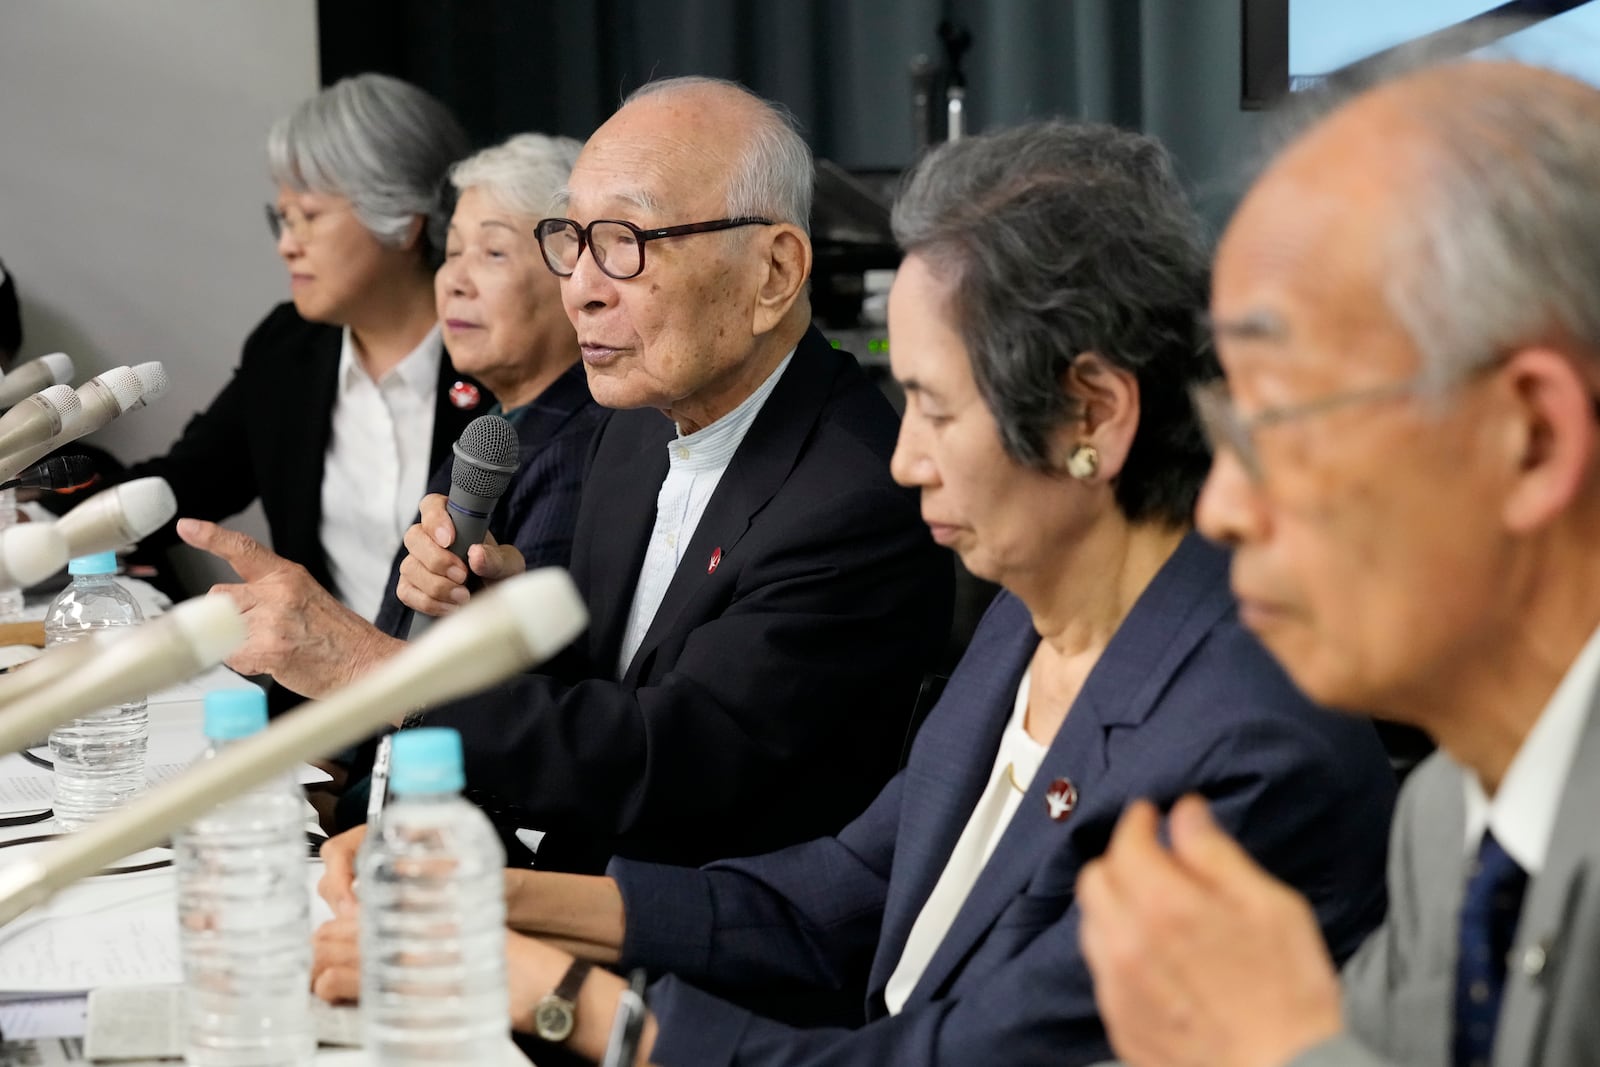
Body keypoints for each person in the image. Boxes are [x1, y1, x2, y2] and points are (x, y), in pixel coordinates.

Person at [311, 118, 1398, 1066]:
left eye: (933, 408)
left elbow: (936, 1054)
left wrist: (553, 996)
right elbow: (835, 890)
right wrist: (491, 899)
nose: (901, 459)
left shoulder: (1248, 749)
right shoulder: (1033, 607)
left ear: (1091, 416)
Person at [205, 77, 954, 882]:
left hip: (696, 959)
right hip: (563, 881)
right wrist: (501, 638)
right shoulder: (634, 425)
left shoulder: (857, 494)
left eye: (626, 241)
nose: (582, 289)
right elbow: (602, 695)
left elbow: (672, 761)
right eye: (572, 239)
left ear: (773, 271)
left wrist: (374, 671)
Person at [1077, 60, 1600, 1067]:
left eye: (1276, 420)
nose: (1222, 509)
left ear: (1529, 437)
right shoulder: (1446, 812)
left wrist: (1271, 1049)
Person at [177, 131, 603, 705]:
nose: (454, 280)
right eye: (452, 252)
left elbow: (537, 700)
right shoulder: (493, 433)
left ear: (574, 276)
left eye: (493, 253)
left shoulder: (586, 447)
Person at [74, 73, 476, 626]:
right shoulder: (289, 349)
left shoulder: (494, 355)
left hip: (475, 698)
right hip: (321, 698)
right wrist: (51, 522)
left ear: (404, 221)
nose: (287, 245)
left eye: (308, 217)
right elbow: (187, 483)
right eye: (282, 220)